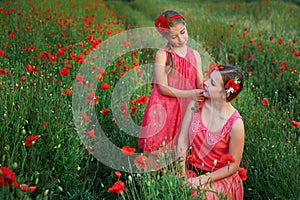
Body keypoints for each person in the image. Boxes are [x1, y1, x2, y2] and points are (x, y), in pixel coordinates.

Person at [138, 10, 204, 163]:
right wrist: (191, 94)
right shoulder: (163, 54)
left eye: (183, 32)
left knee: (181, 151)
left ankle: (177, 180)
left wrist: (212, 88)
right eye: (174, 36)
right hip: (164, 108)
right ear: (166, 37)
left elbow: (200, 83)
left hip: (185, 108)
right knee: (157, 153)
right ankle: (153, 182)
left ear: (186, 27)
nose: (181, 39)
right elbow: (162, 88)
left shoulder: (195, 55)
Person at [177, 63, 245, 199]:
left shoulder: (235, 124)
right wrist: (181, 173)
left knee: (200, 196)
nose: (205, 83)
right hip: (190, 170)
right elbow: (183, 139)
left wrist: (200, 180)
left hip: (216, 177)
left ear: (225, 94)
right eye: (209, 78)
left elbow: (233, 166)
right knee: (169, 185)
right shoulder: (197, 103)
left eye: (212, 83)